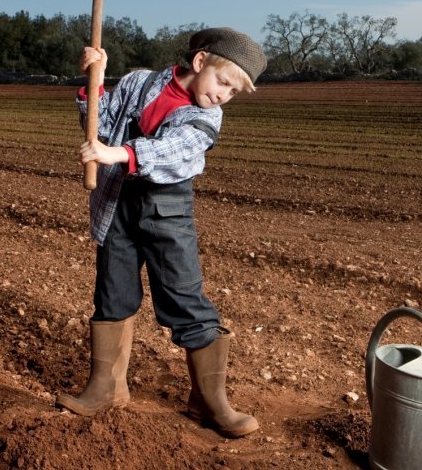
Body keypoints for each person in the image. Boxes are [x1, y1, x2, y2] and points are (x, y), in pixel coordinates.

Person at [56, 27, 267, 439]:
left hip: (166, 211)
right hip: (116, 203)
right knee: (112, 293)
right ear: (200, 62)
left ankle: (209, 401)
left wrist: (116, 153)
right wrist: (93, 83)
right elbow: (98, 122)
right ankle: (106, 389)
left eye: (234, 92)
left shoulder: (207, 117)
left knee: (183, 297)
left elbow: (176, 148)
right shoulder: (140, 82)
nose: (224, 95)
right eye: (224, 82)